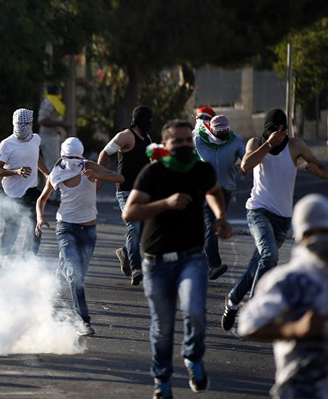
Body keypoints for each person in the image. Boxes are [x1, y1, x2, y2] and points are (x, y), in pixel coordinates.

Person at [123, 120, 232, 399]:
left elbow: (215, 191)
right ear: (166, 145)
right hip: (156, 261)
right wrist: (166, 203)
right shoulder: (153, 173)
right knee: (163, 329)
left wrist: (220, 217)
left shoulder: (201, 170)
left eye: (188, 140)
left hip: (191, 258)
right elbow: (130, 212)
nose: (184, 145)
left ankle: (193, 358)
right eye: (178, 142)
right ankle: (163, 382)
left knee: (195, 313)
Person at [221, 108, 328, 331]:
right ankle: (253, 308)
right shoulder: (256, 143)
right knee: (270, 256)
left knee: (257, 265)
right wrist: (268, 144)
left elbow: (320, 167)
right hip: (259, 211)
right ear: (267, 130)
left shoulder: (295, 145)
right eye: (274, 130)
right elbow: (245, 166)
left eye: (282, 130)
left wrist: (319, 173)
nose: (279, 134)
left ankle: (232, 301)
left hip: (283, 218)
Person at [238, 194, 328, 399]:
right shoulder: (287, 281)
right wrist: (295, 329)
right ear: (302, 236)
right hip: (300, 389)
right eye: (315, 233)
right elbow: (248, 324)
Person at [35, 137, 124, 336]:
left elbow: (120, 178)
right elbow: (41, 200)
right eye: (69, 158)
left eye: (76, 158)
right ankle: (83, 322)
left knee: (78, 274)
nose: (73, 162)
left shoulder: (88, 166)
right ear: (62, 156)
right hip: (66, 227)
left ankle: (64, 266)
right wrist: (40, 217)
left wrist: (99, 176)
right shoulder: (56, 172)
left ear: (81, 156)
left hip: (89, 230)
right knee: (76, 278)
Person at [97, 105, 153, 286]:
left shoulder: (147, 138)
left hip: (143, 190)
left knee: (143, 230)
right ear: (140, 120)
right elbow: (104, 153)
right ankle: (136, 268)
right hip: (125, 189)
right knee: (134, 227)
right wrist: (101, 177)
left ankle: (124, 252)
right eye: (148, 120)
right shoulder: (125, 136)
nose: (150, 124)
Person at [194, 114, 245, 280]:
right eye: (220, 130)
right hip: (205, 189)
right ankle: (213, 265)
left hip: (226, 189)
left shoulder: (235, 140)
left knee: (212, 225)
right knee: (212, 224)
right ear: (212, 130)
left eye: (226, 129)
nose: (223, 132)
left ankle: (198, 257)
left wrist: (247, 165)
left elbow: (246, 159)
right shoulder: (199, 140)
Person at [0, 108, 49, 258]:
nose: (22, 128)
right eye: (19, 124)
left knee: (35, 228)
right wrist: (16, 171)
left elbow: (36, 157)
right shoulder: (6, 144)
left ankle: (28, 262)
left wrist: (46, 173)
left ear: (31, 123)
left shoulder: (36, 139)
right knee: (11, 232)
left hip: (31, 192)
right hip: (11, 194)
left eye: (25, 124)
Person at [38, 83, 71, 190]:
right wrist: (60, 124)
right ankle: (50, 195)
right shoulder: (49, 102)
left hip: (53, 136)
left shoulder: (54, 101)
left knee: (51, 165)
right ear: (57, 92)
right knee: (52, 166)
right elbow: (42, 120)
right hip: (48, 137)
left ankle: (47, 193)